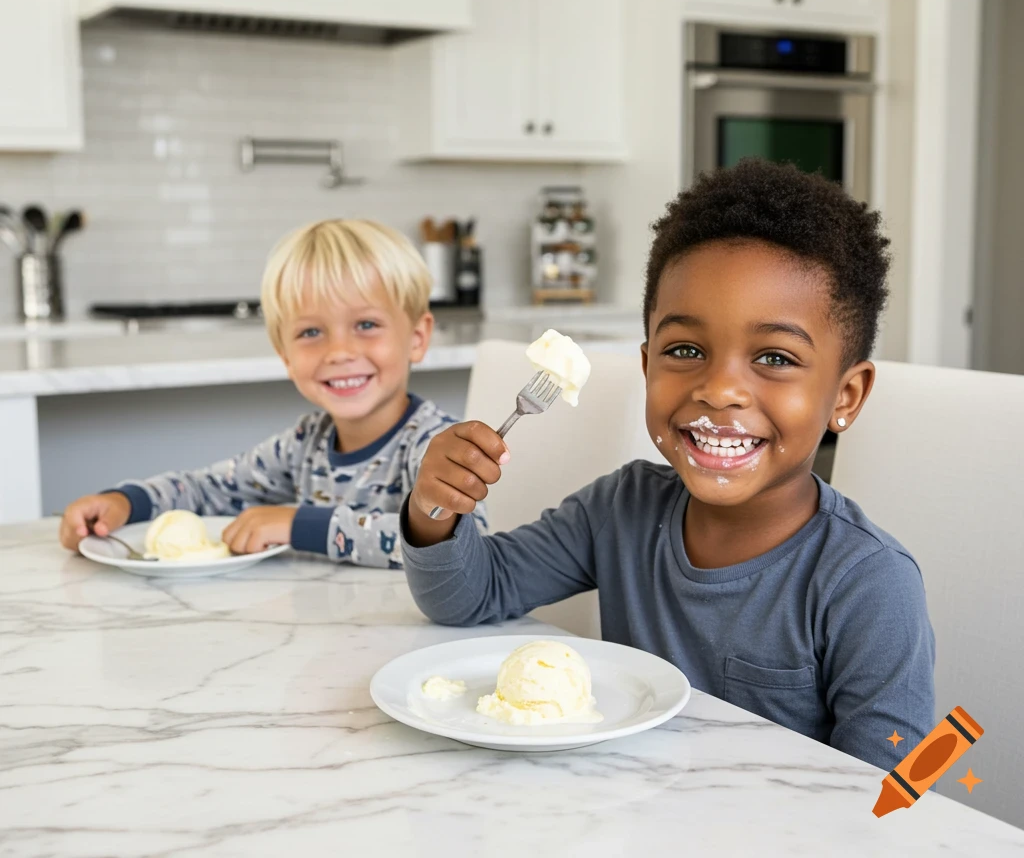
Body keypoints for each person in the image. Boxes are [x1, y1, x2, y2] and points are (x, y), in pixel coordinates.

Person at [401, 159, 934, 771]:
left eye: (775, 357)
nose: (719, 388)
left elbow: (903, 792)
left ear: (846, 396)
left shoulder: (870, 583)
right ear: (648, 363)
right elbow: (467, 596)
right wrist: (433, 508)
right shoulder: (620, 510)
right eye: (686, 350)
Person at [58, 219, 484, 567]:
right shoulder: (304, 444)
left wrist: (299, 525)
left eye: (366, 325)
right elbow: (210, 489)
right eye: (311, 332)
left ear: (416, 337)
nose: (339, 352)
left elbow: (468, 545)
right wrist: (125, 502)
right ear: (284, 354)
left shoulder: (435, 448)